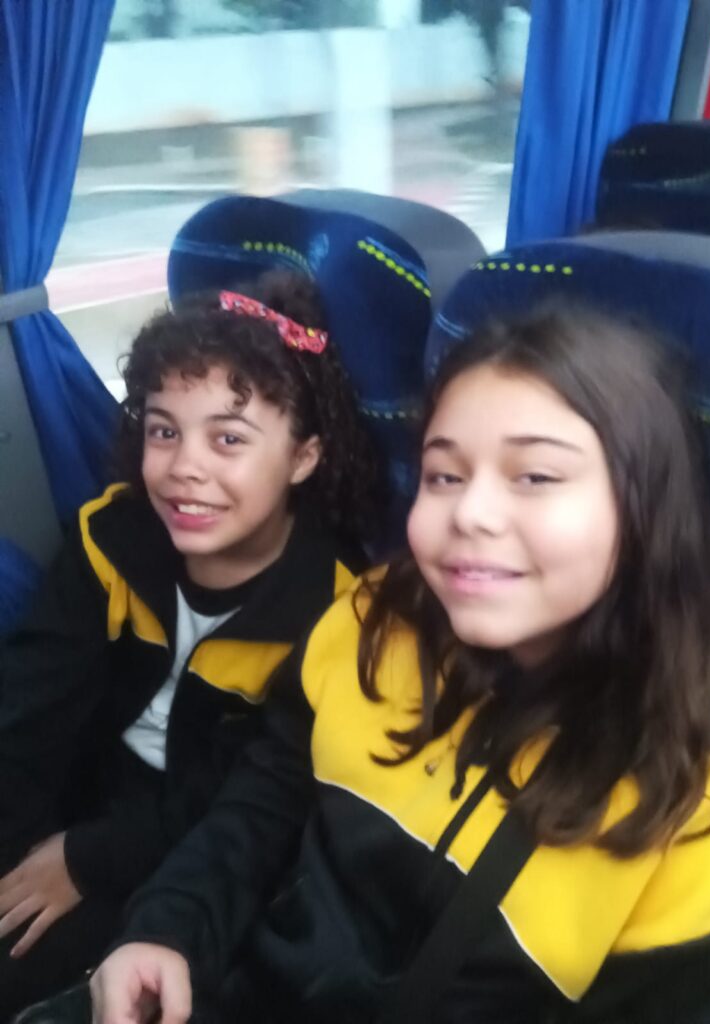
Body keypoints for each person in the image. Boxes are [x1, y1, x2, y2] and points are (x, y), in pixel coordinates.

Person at [85, 303, 710, 1023]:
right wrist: (168, 929)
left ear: (645, 505)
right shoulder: (372, 621)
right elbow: (266, 800)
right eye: (444, 476)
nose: (471, 513)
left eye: (535, 476)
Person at [0, 269, 376, 1018]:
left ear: (303, 458)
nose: (184, 468)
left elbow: (253, 802)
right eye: (163, 430)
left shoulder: (335, 614)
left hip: (196, 858)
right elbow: (28, 716)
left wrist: (84, 859)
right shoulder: (111, 538)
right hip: (83, 799)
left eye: (228, 439)